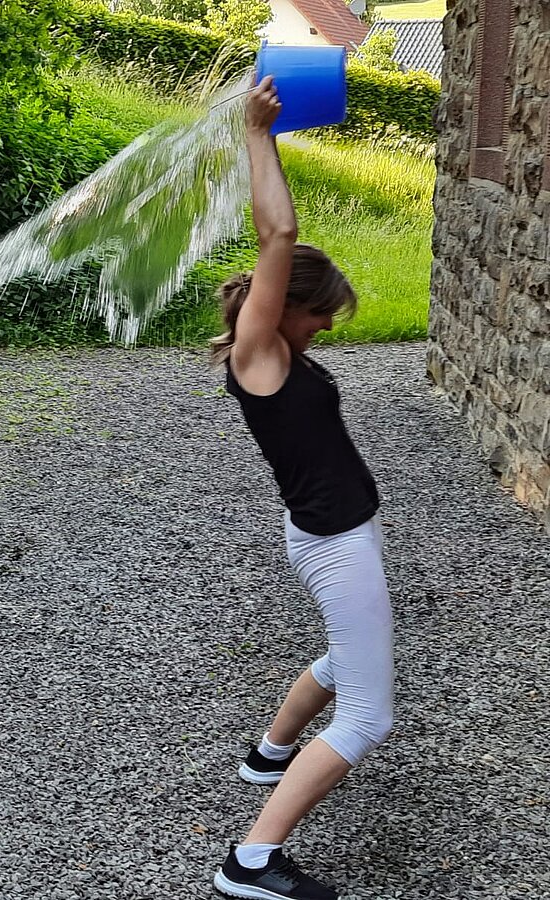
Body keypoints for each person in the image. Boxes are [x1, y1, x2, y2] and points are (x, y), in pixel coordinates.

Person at [209, 77, 393, 900]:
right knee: (369, 715)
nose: (324, 329)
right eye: (319, 316)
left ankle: (270, 754)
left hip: (335, 531)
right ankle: (250, 862)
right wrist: (259, 133)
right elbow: (277, 231)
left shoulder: (279, 352)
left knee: (347, 655)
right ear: (283, 306)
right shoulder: (260, 355)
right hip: (333, 540)